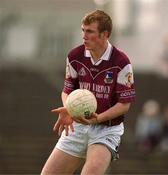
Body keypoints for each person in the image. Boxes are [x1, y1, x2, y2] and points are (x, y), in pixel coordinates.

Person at [41, 10, 135, 175]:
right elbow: (67, 91)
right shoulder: (75, 56)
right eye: (83, 30)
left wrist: (98, 118)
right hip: (77, 126)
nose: (84, 36)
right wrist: (69, 108)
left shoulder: (121, 61)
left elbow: (124, 104)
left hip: (106, 130)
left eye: (90, 31)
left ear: (105, 34)